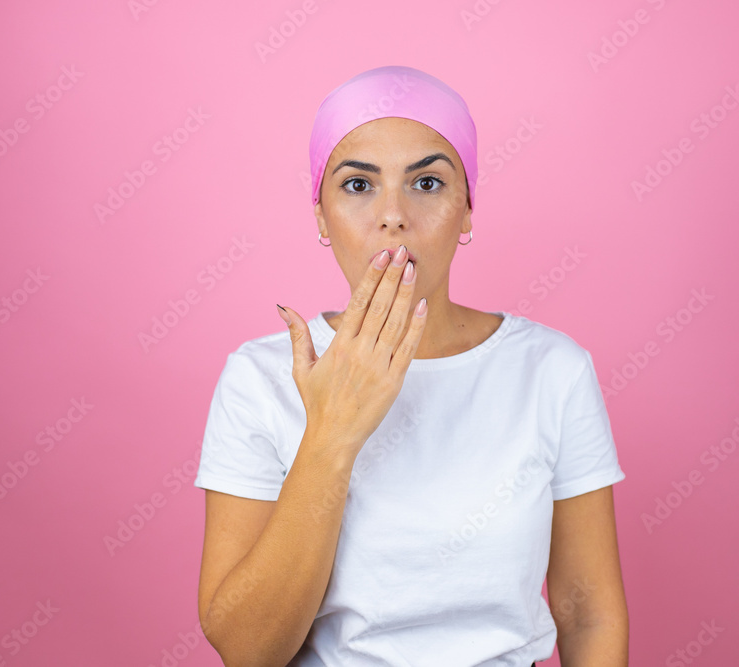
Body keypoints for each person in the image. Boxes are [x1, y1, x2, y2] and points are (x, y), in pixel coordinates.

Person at [193, 65, 629, 667]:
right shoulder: (259, 378)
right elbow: (247, 649)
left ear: (467, 209)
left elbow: (589, 614)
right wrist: (332, 434)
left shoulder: (552, 371)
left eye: (426, 183)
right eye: (358, 184)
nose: (394, 215)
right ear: (320, 217)